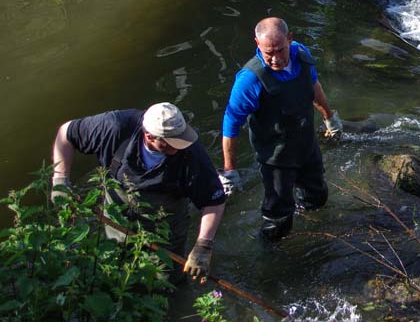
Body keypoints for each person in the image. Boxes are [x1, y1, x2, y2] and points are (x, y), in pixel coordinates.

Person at [51, 102, 226, 281]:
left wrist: (203, 247)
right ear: (150, 136)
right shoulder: (115, 127)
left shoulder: (191, 153)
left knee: (166, 282)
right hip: (117, 221)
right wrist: (60, 181)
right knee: (116, 273)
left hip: (166, 230)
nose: (178, 147)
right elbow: (66, 133)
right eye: (170, 143)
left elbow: (214, 201)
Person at [219, 17, 343, 240]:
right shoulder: (250, 80)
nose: (275, 59)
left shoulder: (302, 55)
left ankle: (311, 232)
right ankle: (270, 256)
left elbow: (313, 87)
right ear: (257, 44)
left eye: (280, 50)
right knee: (278, 218)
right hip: (276, 156)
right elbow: (231, 123)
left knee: (318, 197)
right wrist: (230, 171)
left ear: (290, 39)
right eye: (268, 53)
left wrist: (329, 118)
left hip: (306, 144)